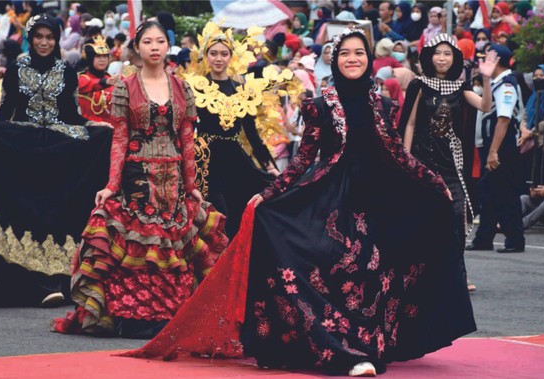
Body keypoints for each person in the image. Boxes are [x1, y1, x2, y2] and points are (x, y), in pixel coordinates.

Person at [121, 27, 476, 377]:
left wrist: (435, 184)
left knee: (373, 267)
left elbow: (399, 154)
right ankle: (343, 351)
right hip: (332, 196)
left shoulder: (382, 104)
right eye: (345, 54)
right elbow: (304, 159)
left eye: (359, 53)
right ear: (335, 60)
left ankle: (365, 345)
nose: (353, 59)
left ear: (368, 60)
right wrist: (269, 193)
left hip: (377, 198)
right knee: (329, 259)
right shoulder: (319, 106)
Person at [51, 21, 227, 338]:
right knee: (138, 245)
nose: (155, 47)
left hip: (172, 178)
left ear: (167, 46)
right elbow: (119, 138)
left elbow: (187, 139)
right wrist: (110, 186)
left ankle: (168, 312)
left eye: (160, 41)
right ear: (137, 47)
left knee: (171, 245)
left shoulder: (182, 87)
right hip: (136, 177)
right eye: (148, 41)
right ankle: (132, 314)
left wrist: (192, 187)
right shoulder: (124, 86)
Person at [0, 13, 113, 308]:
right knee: (22, 210)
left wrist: (93, 126)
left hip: (57, 149)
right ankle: (23, 283)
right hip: (23, 147)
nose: (44, 43)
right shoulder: (17, 69)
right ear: (30, 39)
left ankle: (58, 280)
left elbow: (70, 114)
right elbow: (7, 110)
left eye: (50, 37)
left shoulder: (66, 70)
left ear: (57, 39)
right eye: (39, 37)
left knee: (57, 208)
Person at [399, 34, 498, 291]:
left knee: (456, 214)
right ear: (429, 56)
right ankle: (417, 274)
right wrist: (405, 161)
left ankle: (457, 274)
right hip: (421, 158)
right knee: (423, 216)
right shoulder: (418, 84)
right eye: (437, 52)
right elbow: (409, 124)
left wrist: (485, 79)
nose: (441, 58)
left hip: (451, 161)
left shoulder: (461, 87)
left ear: (455, 59)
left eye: (447, 53)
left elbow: (486, 106)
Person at [186, 24, 279, 238]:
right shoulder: (196, 88)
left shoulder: (242, 91)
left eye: (224, 54)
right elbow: (187, 127)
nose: (219, 58)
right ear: (206, 56)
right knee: (215, 215)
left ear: (231, 57)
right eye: (214, 53)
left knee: (240, 212)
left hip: (234, 158)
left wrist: (268, 165)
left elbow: (251, 132)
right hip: (205, 159)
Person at [467, 44, 526, 253]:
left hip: (502, 146)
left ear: (498, 60)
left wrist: (493, 151)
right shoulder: (496, 83)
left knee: (505, 193)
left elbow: (504, 120)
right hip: (493, 146)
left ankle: (515, 239)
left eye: (487, 57)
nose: (483, 61)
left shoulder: (507, 85)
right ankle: (484, 238)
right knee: (488, 194)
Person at [78, 36, 118, 124]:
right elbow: (87, 85)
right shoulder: (82, 78)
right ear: (90, 59)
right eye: (98, 56)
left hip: (111, 128)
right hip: (90, 128)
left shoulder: (110, 78)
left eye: (105, 56)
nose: (102, 60)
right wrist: (104, 82)